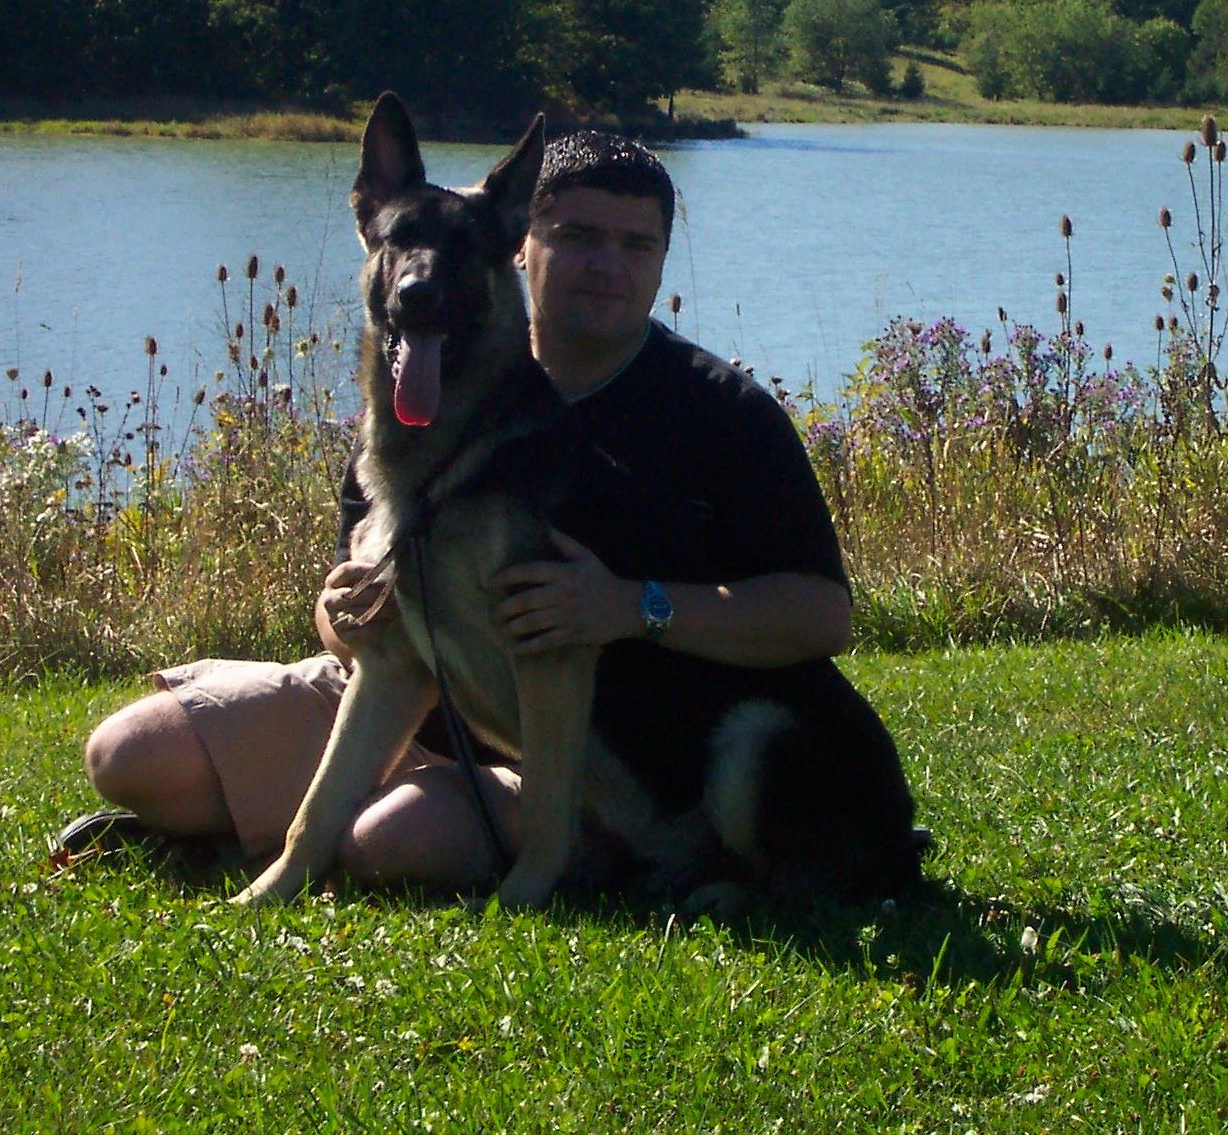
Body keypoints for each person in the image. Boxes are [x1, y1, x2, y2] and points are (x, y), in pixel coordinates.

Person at [68, 131, 853, 891]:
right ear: (522, 246)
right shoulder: (421, 385)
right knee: (128, 754)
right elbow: (367, 632)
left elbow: (824, 618)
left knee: (396, 846)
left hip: (573, 753)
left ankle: (274, 822)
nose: (606, 266)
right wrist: (341, 612)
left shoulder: (723, 411)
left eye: (635, 246)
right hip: (423, 703)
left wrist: (630, 606)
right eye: (579, 236)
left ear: (659, 261)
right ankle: (274, 831)